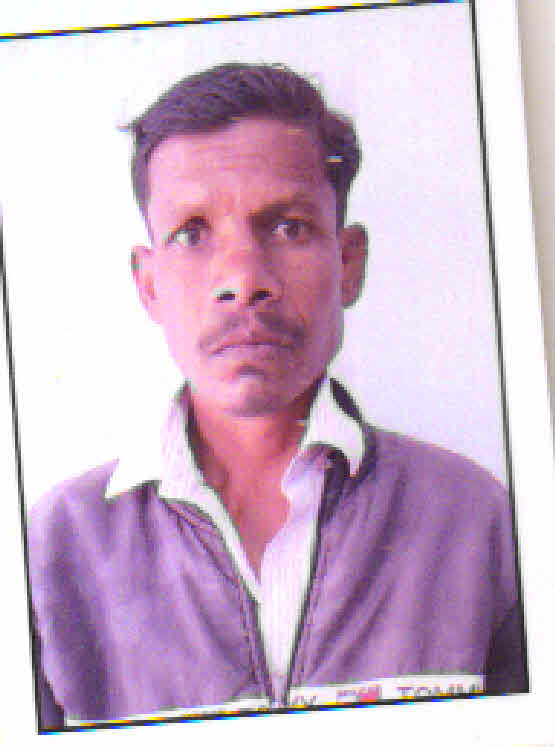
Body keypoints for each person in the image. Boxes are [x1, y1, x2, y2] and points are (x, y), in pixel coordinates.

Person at [27, 63, 526, 730]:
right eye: (192, 233)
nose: (243, 279)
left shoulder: (475, 520)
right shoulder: (52, 551)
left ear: (348, 262)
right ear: (149, 285)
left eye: (288, 227)